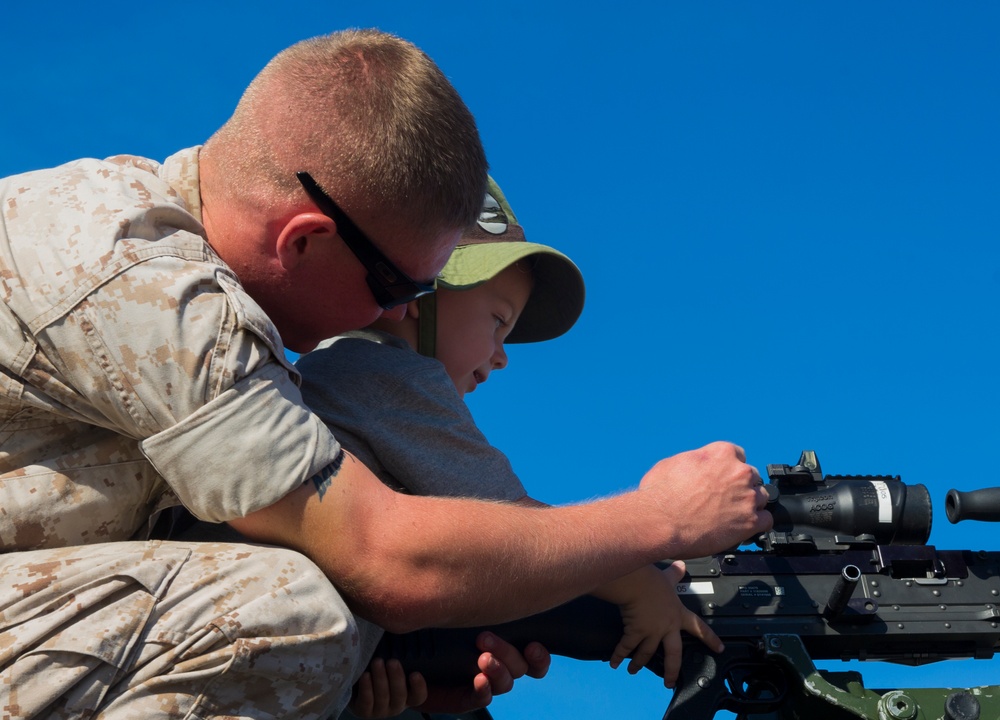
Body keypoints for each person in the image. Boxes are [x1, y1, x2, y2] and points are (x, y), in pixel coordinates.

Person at [0, 27, 771, 720]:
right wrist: (657, 522)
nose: (399, 313)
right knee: (288, 609)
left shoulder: (200, 302)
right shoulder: (144, 285)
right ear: (304, 242)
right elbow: (384, 559)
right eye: (402, 289)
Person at [294, 177, 725, 718]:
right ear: (418, 293)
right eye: (498, 322)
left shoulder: (341, 367)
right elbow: (523, 532)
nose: (501, 357)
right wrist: (642, 588)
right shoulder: (383, 371)